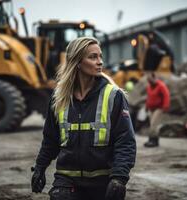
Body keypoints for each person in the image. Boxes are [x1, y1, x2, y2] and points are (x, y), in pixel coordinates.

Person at [31, 36, 136, 200]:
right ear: (77, 62)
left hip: (102, 181)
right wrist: (40, 167)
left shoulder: (114, 96)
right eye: (93, 57)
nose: (100, 61)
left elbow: (125, 141)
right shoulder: (58, 98)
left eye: (100, 56)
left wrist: (119, 179)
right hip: (66, 181)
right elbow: (50, 139)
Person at [144, 72, 170, 147]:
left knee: (153, 124)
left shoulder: (161, 86)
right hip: (151, 108)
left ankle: (153, 140)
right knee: (152, 124)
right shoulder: (149, 86)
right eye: (148, 80)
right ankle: (153, 140)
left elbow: (166, 96)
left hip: (159, 108)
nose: (149, 81)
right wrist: (146, 106)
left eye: (150, 79)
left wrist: (165, 106)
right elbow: (148, 97)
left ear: (154, 77)